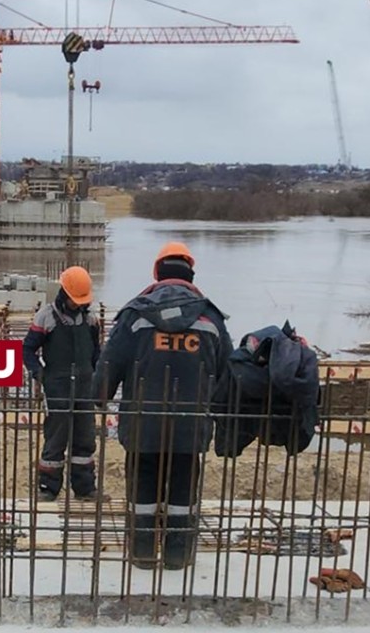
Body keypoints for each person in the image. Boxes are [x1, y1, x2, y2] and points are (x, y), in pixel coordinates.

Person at [94, 242, 232, 570]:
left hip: (144, 424)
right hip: (191, 424)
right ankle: (177, 555)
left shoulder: (135, 314)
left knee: (143, 485)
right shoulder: (210, 317)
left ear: (157, 273)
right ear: (191, 274)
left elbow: (109, 363)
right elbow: (227, 372)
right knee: (183, 487)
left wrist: (97, 398)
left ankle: (142, 554)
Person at [22, 265, 104, 502]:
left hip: (85, 387)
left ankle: (85, 488)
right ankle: (48, 488)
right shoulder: (46, 317)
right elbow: (27, 349)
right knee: (56, 439)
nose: (79, 304)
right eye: (76, 300)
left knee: (85, 438)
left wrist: (99, 380)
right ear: (65, 294)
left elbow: (96, 354)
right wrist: (38, 373)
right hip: (57, 386)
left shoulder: (90, 320)